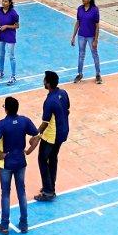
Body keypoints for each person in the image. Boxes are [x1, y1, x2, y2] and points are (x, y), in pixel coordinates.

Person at [0, 96, 39, 235]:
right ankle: (24, 224)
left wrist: (0, 155)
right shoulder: (24, 121)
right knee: (21, 192)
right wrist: (29, 150)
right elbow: (37, 136)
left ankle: (4, 225)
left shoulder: (2, 124)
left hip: (6, 163)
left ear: (6, 109)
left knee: (5, 194)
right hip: (21, 161)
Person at [34, 71, 71, 202]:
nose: (43, 82)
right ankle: (50, 186)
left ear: (48, 84)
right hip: (63, 132)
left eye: (44, 80)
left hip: (51, 136)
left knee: (42, 159)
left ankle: (48, 191)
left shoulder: (49, 101)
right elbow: (68, 109)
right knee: (53, 158)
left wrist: (36, 135)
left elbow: (45, 122)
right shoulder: (63, 93)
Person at [70, 0, 102, 85]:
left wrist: (96, 40)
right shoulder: (80, 9)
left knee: (94, 55)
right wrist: (73, 36)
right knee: (81, 55)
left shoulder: (95, 10)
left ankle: (98, 74)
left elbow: (97, 26)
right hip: (81, 36)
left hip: (91, 36)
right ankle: (80, 74)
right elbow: (78, 23)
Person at [0, 0, 20, 85]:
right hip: (1, 36)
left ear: (10, 3)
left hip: (10, 36)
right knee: (1, 54)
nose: (3, 3)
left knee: (11, 56)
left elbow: (17, 26)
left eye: (5, 1)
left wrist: (7, 26)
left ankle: (13, 76)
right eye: (2, 1)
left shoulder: (13, 13)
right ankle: (1, 73)